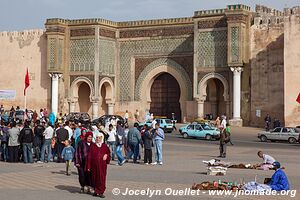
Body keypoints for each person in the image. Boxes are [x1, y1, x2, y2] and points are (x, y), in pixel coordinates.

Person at [86, 132, 111, 198]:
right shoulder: (92, 146)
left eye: (99, 138)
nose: (98, 139)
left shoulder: (104, 146)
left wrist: (106, 155)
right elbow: (89, 156)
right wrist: (88, 166)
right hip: (94, 166)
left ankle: (100, 192)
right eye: (97, 137)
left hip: (102, 166)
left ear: (102, 138)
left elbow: (108, 154)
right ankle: (96, 190)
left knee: (101, 178)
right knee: (94, 178)